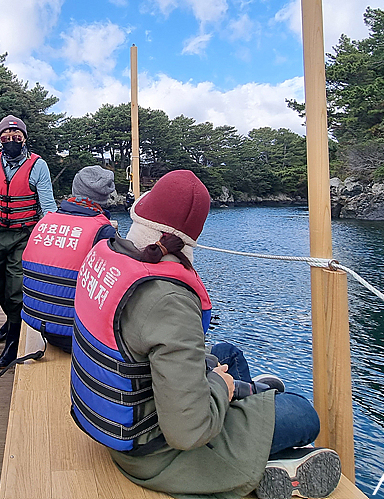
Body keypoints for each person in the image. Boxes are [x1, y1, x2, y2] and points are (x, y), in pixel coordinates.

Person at [70, 170, 342, 499]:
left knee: (227, 352)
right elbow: (187, 432)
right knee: (303, 413)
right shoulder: (168, 298)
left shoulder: (107, 253)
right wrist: (219, 387)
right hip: (154, 453)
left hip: (115, 420)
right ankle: (261, 459)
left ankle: (260, 425)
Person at [0, 115, 57, 368]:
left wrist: (49, 234)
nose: (11, 140)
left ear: (24, 138)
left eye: (16, 136)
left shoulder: (37, 165)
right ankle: (11, 319)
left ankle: (13, 336)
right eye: (5, 137)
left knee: (16, 288)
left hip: (25, 234)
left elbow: (48, 205)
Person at [19, 165, 118, 352]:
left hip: (37, 319)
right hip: (73, 333)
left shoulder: (46, 220)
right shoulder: (103, 231)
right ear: (104, 196)